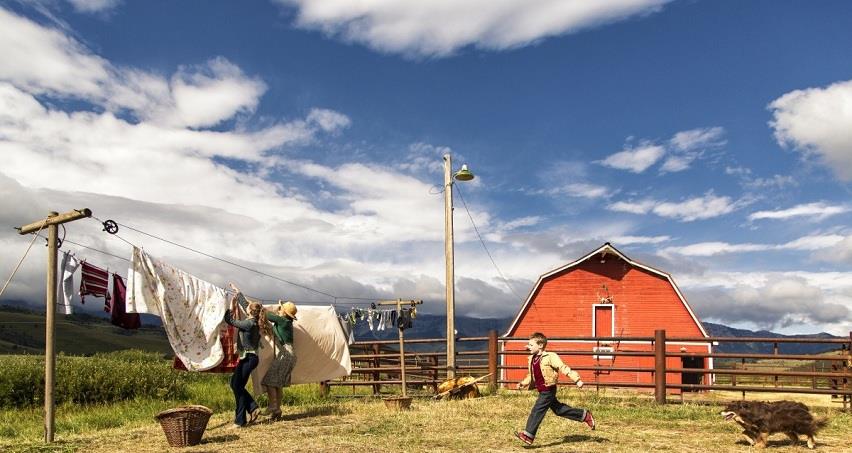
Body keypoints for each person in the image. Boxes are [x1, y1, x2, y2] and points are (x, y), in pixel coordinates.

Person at [514, 332, 595, 445]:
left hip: (548, 390)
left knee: (537, 410)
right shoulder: (532, 359)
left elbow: (563, 367)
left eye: (531, 345)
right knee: (559, 410)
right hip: (542, 390)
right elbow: (531, 375)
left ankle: (528, 435)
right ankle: (584, 415)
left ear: (540, 345)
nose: (528, 347)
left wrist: (577, 380)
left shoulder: (550, 357)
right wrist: (523, 383)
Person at [223, 282, 271, 428]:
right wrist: (237, 291)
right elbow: (245, 304)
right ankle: (249, 411)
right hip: (250, 358)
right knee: (237, 386)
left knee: (236, 386)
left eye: (248, 307)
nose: (246, 307)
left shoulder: (249, 324)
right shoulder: (254, 320)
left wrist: (231, 306)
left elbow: (229, 320)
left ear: (250, 312)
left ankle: (245, 415)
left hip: (249, 359)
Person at [261, 300, 298, 418]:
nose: (279, 310)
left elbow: (265, 314)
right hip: (289, 354)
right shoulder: (286, 322)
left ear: (284, 313)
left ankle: (273, 406)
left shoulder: (282, 320)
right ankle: (277, 410)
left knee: (269, 380)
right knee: (278, 384)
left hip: (286, 354)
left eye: (281, 309)